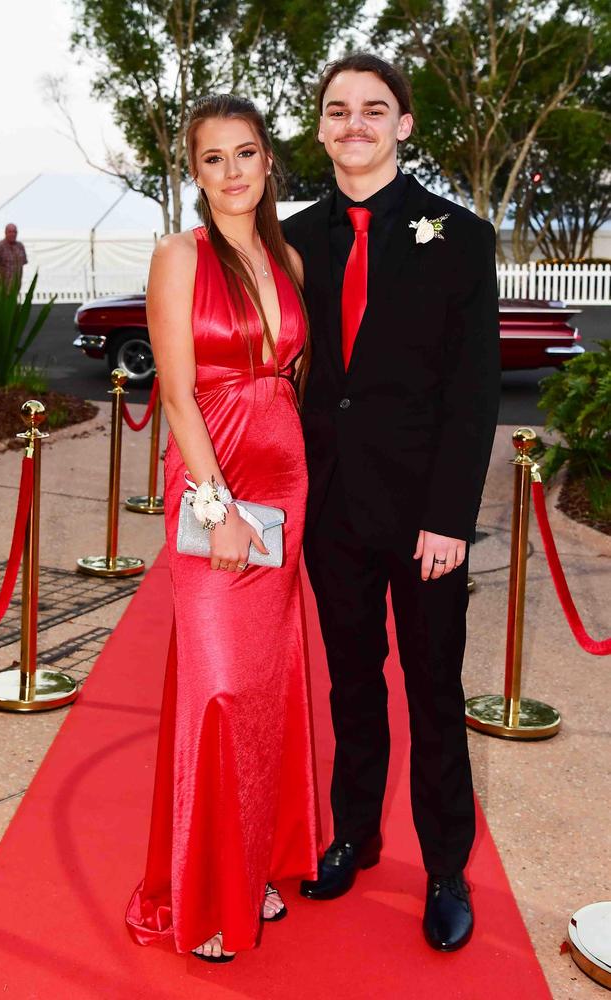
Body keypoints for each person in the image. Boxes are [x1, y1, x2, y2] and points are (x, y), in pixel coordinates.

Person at [283, 52, 500, 952]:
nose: (355, 124)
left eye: (374, 109)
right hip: (329, 509)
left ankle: (447, 866)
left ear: (404, 124)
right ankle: (355, 834)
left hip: (424, 521)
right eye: (338, 110)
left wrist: (449, 516)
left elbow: (473, 389)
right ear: (322, 127)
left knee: (434, 691)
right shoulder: (291, 236)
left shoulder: (461, 237)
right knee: (351, 685)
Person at [125, 94, 318, 964]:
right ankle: (202, 894)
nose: (234, 172)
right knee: (218, 684)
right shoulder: (178, 256)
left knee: (268, 683)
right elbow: (175, 395)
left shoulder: (288, 259)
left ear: (268, 160)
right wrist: (218, 507)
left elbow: (295, 373)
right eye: (214, 159)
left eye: (247, 154)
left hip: (285, 479)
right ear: (193, 172)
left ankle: (255, 864)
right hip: (215, 482)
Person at [0, 223, 27, 290]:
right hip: (1, 288)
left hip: (15, 286)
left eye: (15, 232)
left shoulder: (20, 247)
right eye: (10, 232)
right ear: (5, 233)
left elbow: (22, 264)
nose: (13, 234)